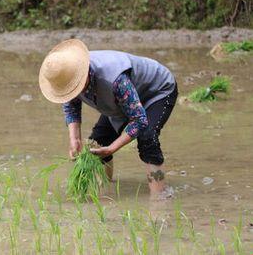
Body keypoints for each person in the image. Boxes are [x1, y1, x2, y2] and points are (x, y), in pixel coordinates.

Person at [39, 39, 178, 198]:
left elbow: (139, 120)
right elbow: (71, 106)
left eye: (73, 88)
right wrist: (74, 138)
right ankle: (107, 192)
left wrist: (112, 148)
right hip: (124, 99)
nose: (72, 92)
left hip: (157, 90)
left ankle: (159, 196)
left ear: (82, 77)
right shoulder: (67, 76)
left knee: (147, 137)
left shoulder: (114, 80)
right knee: (98, 141)